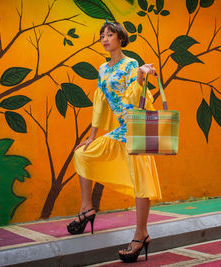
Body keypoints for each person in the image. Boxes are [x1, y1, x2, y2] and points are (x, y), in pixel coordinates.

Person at [67, 20, 161, 263]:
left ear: (121, 39)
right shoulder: (102, 69)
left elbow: (135, 98)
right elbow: (99, 103)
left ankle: (141, 235)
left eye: (110, 34)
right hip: (121, 130)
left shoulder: (131, 65)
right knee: (82, 154)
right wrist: (91, 136)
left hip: (137, 129)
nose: (105, 38)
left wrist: (140, 76)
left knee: (141, 181)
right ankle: (87, 208)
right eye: (102, 35)